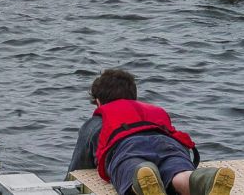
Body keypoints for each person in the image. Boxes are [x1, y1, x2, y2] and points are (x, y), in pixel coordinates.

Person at [68, 68, 235, 195]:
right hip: (168, 144)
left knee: (132, 167)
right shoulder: (150, 111)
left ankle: (144, 174)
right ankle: (204, 180)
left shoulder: (97, 122)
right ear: (133, 97)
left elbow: (78, 167)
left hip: (127, 147)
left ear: (98, 102)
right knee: (178, 171)